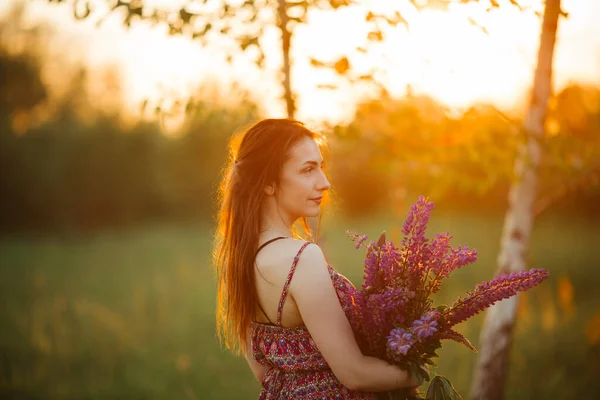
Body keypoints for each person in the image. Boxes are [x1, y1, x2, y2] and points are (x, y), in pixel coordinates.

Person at [213, 119, 422, 399]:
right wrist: (416, 372)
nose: (324, 183)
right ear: (268, 183)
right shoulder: (302, 258)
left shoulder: (238, 260)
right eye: (308, 170)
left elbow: (266, 373)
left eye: (321, 168)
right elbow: (354, 373)